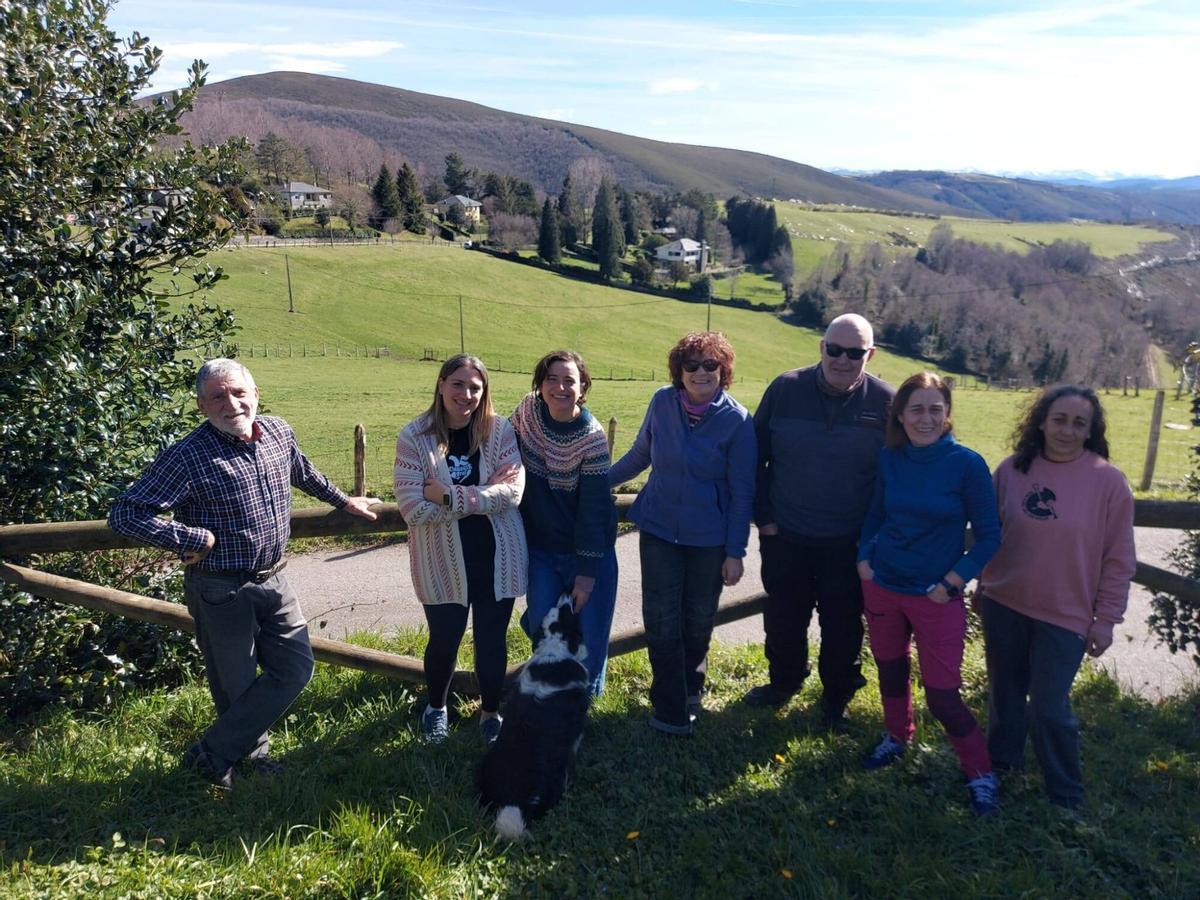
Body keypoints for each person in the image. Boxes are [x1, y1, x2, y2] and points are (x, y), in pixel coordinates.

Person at [108, 358, 379, 789]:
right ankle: (250, 757)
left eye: (237, 392)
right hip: (220, 588)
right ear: (202, 405)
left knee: (295, 668)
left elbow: (302, 472)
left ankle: (210, 754)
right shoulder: (187, 456)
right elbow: (125, 513)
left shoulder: (277, 431)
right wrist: (189, 538)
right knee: (235, 684)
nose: (230, 403)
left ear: (255, 395)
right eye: (217, 396)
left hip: (274, 577)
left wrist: (344, 501)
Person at [977, 385, 1135, 810]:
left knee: (1048, 707)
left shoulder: (1108, 482)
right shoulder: (1011, 470)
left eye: (1078, 423)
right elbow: (989, 536)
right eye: (1059, 420)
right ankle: (1001, 766)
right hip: (1003, 601)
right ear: (1041, 422)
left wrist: (1106, 620)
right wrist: (980, 586)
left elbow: (1119, 560)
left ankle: (1065, 794)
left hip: (1066, 615)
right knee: (1005, 694)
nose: (1067, 430)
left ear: (1090, 431)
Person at [856, 371, 1002, 815]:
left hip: (936, 595)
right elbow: (876, 513)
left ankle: (981, 773)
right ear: (900, 415)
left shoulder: (967, 464)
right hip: (883, 586)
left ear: (947, 414)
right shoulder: (891, 458)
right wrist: (864, 557)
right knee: (890, 668)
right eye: (916, 409)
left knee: (942, 694)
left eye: (935, 409)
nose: (926, 418)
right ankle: (897, 737)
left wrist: (952, 582)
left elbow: (991, 536)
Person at [745, 313, 895, 730]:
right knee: (783, 618)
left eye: (854, 352)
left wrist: (873, 539)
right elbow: (753, 459)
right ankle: (784, 683)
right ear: (821, 347)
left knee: (844, 625)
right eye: (835, 349)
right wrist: (767, 521)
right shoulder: (785, 389)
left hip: (849, 542)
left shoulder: (887, 402)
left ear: (871, 354)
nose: (843, 359)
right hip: (786, 535)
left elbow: (897, 476)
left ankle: (836, 699)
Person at [609, 332, 756, 735]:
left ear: (723, 371)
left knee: (697, 620)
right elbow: (641, 454)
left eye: (710, 365)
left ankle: (691, 688)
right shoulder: (662, 402)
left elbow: (743, 493)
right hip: (658, 529)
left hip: (708, 540)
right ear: (679, 371)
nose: (701, 372)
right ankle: (671, 708)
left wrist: (735, 551)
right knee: (660, 619)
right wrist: (597, 481)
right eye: (691, 365)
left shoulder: (738, 421)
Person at [394, 354, 527, 746]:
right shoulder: (414, 436)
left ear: (484, 391)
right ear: (440, 384)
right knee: (444, 639)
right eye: (457, 384)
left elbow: (513, 493)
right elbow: (411, 508)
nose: (465, 394)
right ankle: (436, 707)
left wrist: (450, 497)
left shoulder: (499, 431)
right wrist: (484, 496)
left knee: (491, 640)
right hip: (440, 561)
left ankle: (490, 712)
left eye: (475, 387)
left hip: (497, 557)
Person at [511, 350, 618, 696]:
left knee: (590, 635)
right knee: (542, 626)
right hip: (542, 549)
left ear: (583, 387)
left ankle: (584, 704)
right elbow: (500, 447)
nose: (560, 387)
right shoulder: (527, 411)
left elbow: (594, 511)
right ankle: (549, 693)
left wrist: (586, 576)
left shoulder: (592, 437)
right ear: (540, 385)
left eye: (569, 380)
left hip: (588, 553)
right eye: (551, 379)